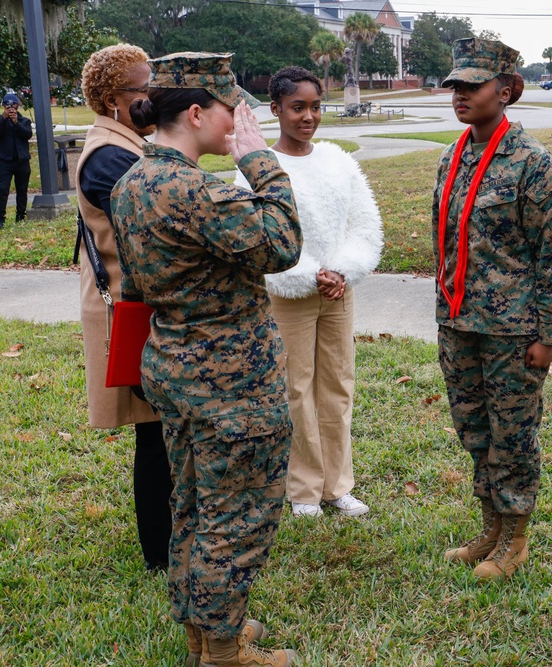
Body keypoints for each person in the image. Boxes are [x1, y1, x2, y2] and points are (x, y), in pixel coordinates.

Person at [111, 52, 302, 667]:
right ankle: (223, 653)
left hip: (174, 368)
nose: (238, 121)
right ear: (195, 112)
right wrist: (259, 159)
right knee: (236, 519)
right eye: (231, 110)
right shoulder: (194, 190)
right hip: (231, 381)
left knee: (193, 509)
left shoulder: (132, 182)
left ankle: (202, 636)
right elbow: (282, 243)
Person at [434, 38, 552, 581]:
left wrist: (549, 333)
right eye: (456, 86)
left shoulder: (534, 164)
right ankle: (491, 525)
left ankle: (515, 537)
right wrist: (444, 312)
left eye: (473, 85)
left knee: (513, 433)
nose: (460, 95)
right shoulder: (453, 156)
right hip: (459, 322)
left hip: (513, 330)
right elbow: (444, 242)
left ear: (507, 90)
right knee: (474, 428)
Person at [234, 66, 383, 519]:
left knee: (337, 386)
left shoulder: (338, 160)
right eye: (297, 108)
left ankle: (338, 486)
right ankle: (303, 489)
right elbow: (257, 233)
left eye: (315, 107)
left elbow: (364, 223)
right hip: (288, 293)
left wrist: (343, 269)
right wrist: (308, 272)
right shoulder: (257, 167)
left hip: (339, 290)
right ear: (276, 109)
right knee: (295, 390)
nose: (308, 116)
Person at [75, 43, 173, 573]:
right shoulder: (108, 156)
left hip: (140, 304)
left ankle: (169, 540)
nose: (153, 97)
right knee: (155, 434)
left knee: (160, 430)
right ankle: (161, 553)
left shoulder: (127, 144)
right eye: (144, 89)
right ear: (114, 100)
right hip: (128, 311)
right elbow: (159, 218)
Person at [0, 92, 31, 229]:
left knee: (22, 189)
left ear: (17, 106)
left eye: (13, 104)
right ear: (3, 106)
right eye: (7, 105)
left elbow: (27, 135)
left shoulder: (24, 121)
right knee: (3, 189)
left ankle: (20, 215)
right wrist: (4, 119)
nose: (11, 108)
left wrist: (16, 123)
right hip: (5, 161)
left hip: (22, 161)